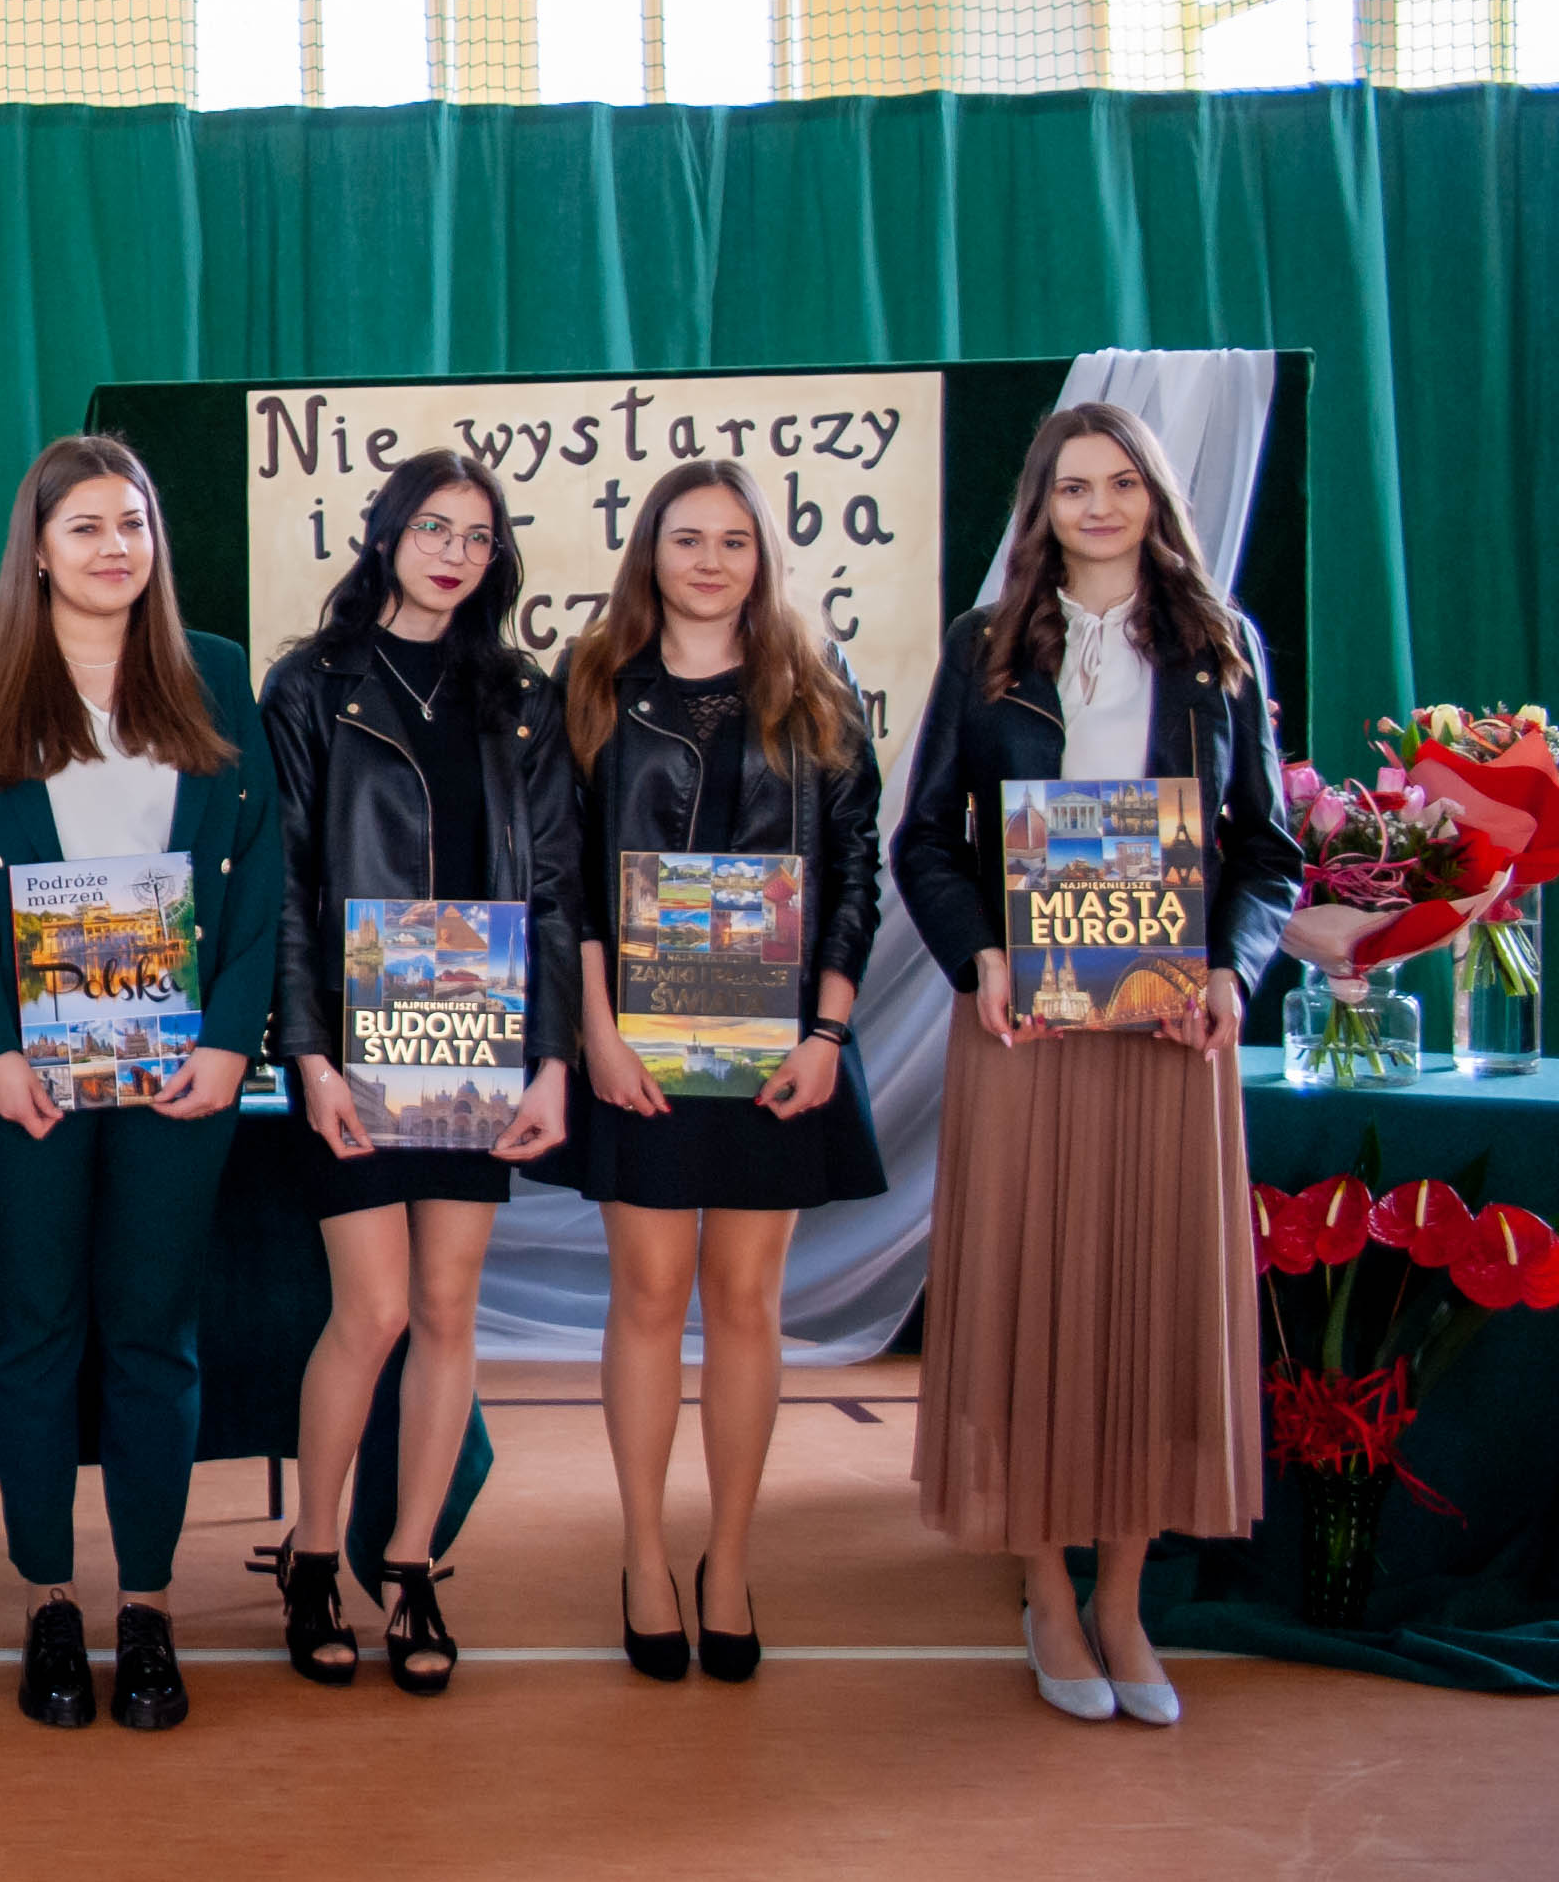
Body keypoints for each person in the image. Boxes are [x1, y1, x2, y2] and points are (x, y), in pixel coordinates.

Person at [894, 402, 1297, 1728]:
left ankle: (1120, 1597)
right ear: (1042, 507)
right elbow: (923, 840)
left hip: (1169, 1032)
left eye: (1123, 482)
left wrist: (1230, 971)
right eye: (1074, 487)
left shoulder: (1219, 644)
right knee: (1030, 1291)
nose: (1100, 506)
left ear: (1155, 498)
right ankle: (1044, 1591)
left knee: (1147, 1301)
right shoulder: (986, 643)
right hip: (1026, 1029)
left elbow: (1269, 852)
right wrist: (979, 958)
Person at [0, 440, 282, 1733]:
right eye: (85, 526)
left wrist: (230, 1040)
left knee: (152, 1337)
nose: (114, 546)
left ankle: (146, 1606)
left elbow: (261, 870)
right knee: (32, 1333)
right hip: (25, 1080)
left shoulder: (215, 673)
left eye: (132, 523)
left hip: (181, 1076)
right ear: (36, 548)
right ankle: (49, 1602)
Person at [542, 461, 885, 1685]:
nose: (707, 561)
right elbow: (563, 875)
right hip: (632, 1045)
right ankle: (642, 1555)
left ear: (761, 557)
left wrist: (824, 1037)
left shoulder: (815, 683)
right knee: (646, 1296)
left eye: (732, 540)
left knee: (745, 1303)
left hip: (775, 1051)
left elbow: (855, 867)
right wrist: (594, 1032)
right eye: (684, 539)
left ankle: (726, 1560)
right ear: (649, 551)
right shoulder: (591, 681)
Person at [256, 449, 573, 1699]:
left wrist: (549, 1058)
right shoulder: (308, 686)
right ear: (384, 534)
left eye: (477, 537)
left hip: (477, 1039)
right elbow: (284, 882)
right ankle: (310, 1554)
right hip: (352, 1040)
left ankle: (409, 1565)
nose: (454, 553)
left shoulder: (520, 696)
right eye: (433, 527)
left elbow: (553, 892)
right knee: (374, 1310)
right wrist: (307, 1053)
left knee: (448, 1308)